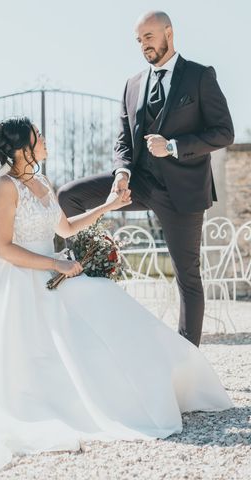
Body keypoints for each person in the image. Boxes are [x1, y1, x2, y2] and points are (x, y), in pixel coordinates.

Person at [0, 117, 232, 469]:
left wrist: (108, 206)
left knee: (108, 301)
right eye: (39, 136)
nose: (45, 141)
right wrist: (55, 265)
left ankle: (166, 381)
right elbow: (3, 248)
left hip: (54, 274)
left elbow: (66, 229)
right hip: (21, 284)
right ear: (24, 147)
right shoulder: (3, 187)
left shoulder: (41, 183)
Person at [57, 11, 235, 347]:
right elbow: (123, 138)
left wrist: (173, 146)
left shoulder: (199, 76)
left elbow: (224, 132)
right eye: (139, 40)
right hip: (138, 184)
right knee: (68, 196)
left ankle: (188, 360)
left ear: (169, 32)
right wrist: (121, 172)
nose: (143, 45)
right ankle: (87, 267)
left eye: (149, 37)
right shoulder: (133, 84)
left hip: (181, 193)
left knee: (188, 279)